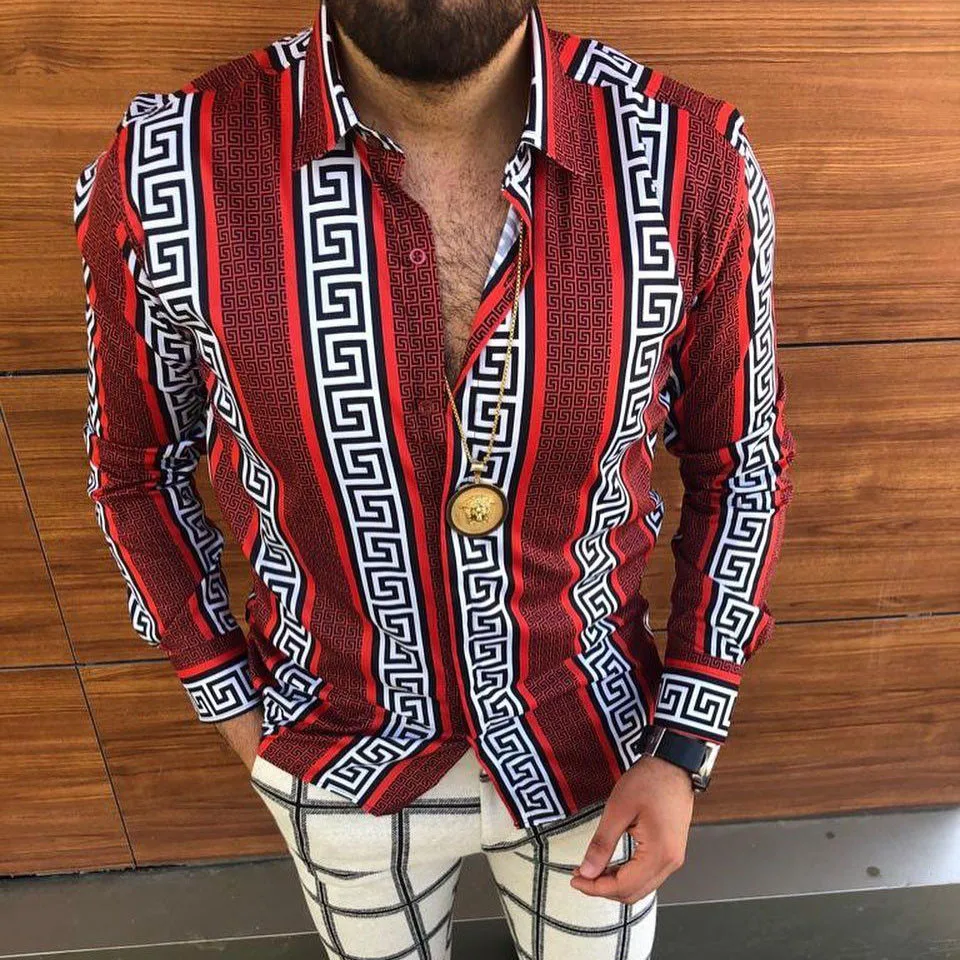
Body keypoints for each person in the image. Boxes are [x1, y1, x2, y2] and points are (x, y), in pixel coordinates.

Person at [72, 0, 797, 956]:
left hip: (600, 747)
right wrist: (242, 720)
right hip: (331, 749)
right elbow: (135, 472)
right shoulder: (165, 170)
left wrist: (684, 745)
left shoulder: (686, 161)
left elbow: (741, 464)